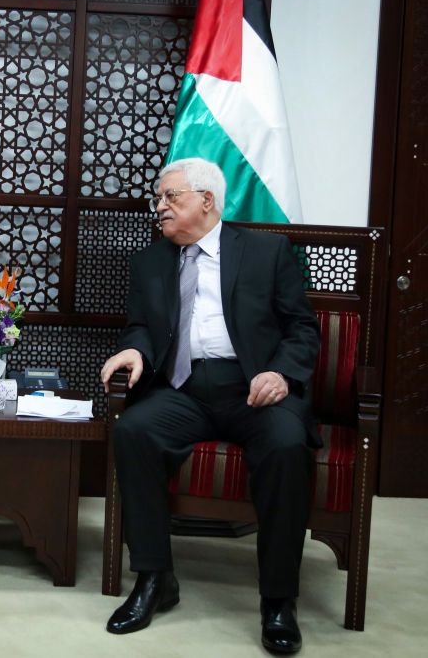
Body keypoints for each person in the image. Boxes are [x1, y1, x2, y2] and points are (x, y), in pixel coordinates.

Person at [99, 158, 320, 654]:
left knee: (286, 447)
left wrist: (280, 373)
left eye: (169, 197)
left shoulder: (267, 252)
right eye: (158, 199)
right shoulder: (151, 260)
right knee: (134, 430)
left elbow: (302, 327)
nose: (159, 208)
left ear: (206, 200)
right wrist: (136, 348)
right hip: (185, 389)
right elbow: (140, 325)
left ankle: (278, 600)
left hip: (254, 390)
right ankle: (155, 579)